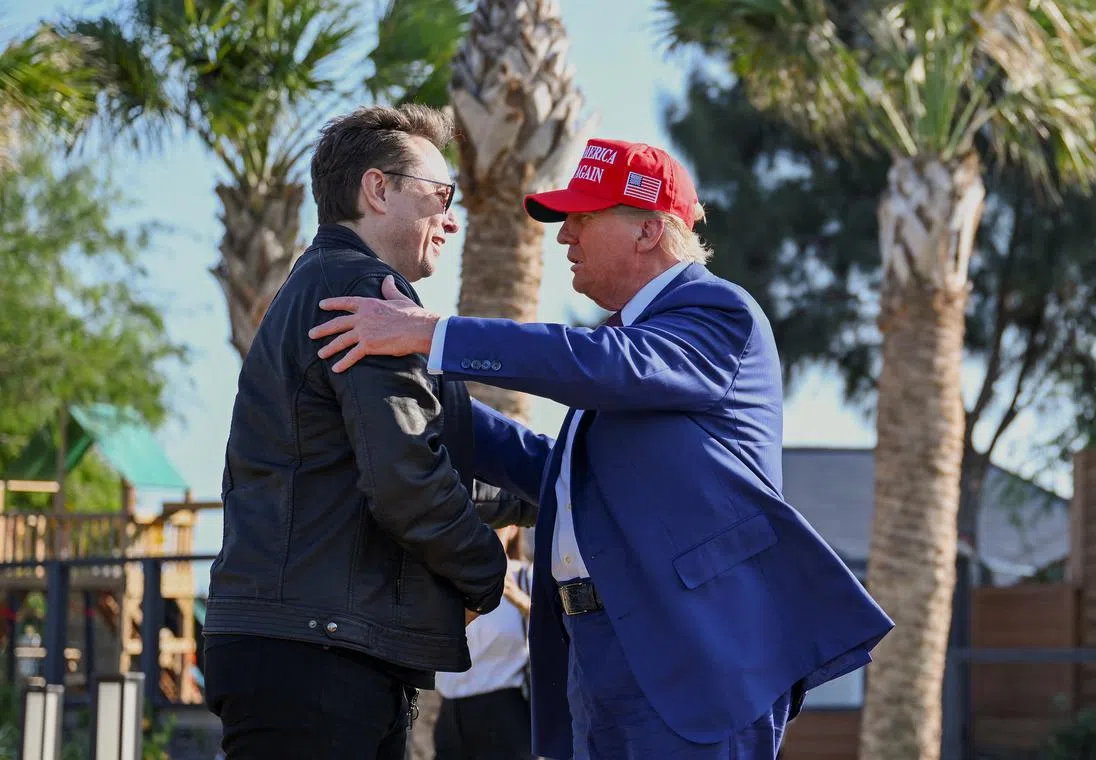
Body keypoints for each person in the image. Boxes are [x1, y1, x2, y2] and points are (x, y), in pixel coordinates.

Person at [309, 138, 895, 760]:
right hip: (599, 655)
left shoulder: (718, 311)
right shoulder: (622, 346)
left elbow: (607, 367)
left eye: (583, 217)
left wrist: (432, 335)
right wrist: (422, 392)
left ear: (648, 230)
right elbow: (555, 472)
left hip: (690, 654)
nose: (565, 236)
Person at [203, 104, 513, 760]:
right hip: (319, 662)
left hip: (304, 649)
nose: (451, 219)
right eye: (439, 195)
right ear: (378, 189)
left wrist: (549, 488)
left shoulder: (317, 282)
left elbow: (392, 465)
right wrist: (486, 570)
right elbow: (405, 480)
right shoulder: (367, 295)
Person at [433, 524, 534, 760]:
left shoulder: (526, 578)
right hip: (449, 715)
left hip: (504, 715)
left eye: (497, 523)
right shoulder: (445, 580)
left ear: (513, 529)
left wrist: (519, 599)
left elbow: (558, 632)